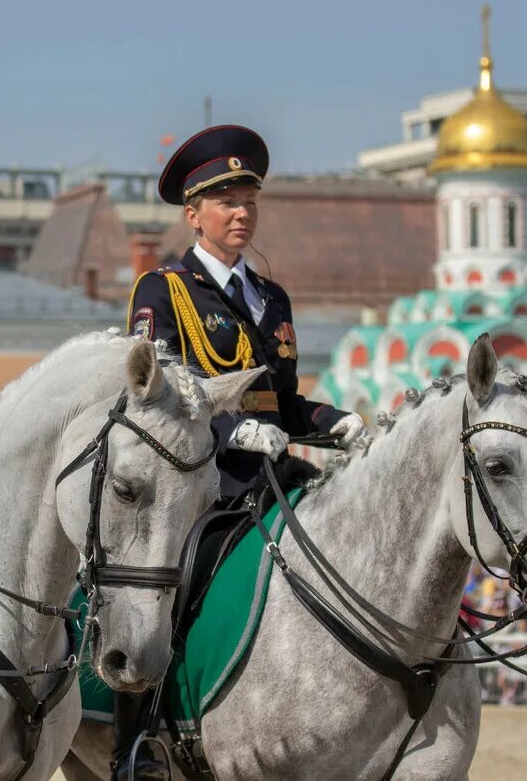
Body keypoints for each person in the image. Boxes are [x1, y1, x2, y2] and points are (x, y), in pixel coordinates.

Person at [116, 125, 367, 780]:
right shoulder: (164, 290)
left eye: (248, 199)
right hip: (202, 477)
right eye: (225, 201)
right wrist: (229, 433)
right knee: (165, 585)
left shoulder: (271, 298)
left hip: (275, 470)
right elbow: (159, 395)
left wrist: (340, 422)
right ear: (193, 214)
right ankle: (137, 742)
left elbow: (282, 403)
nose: (240, 212)